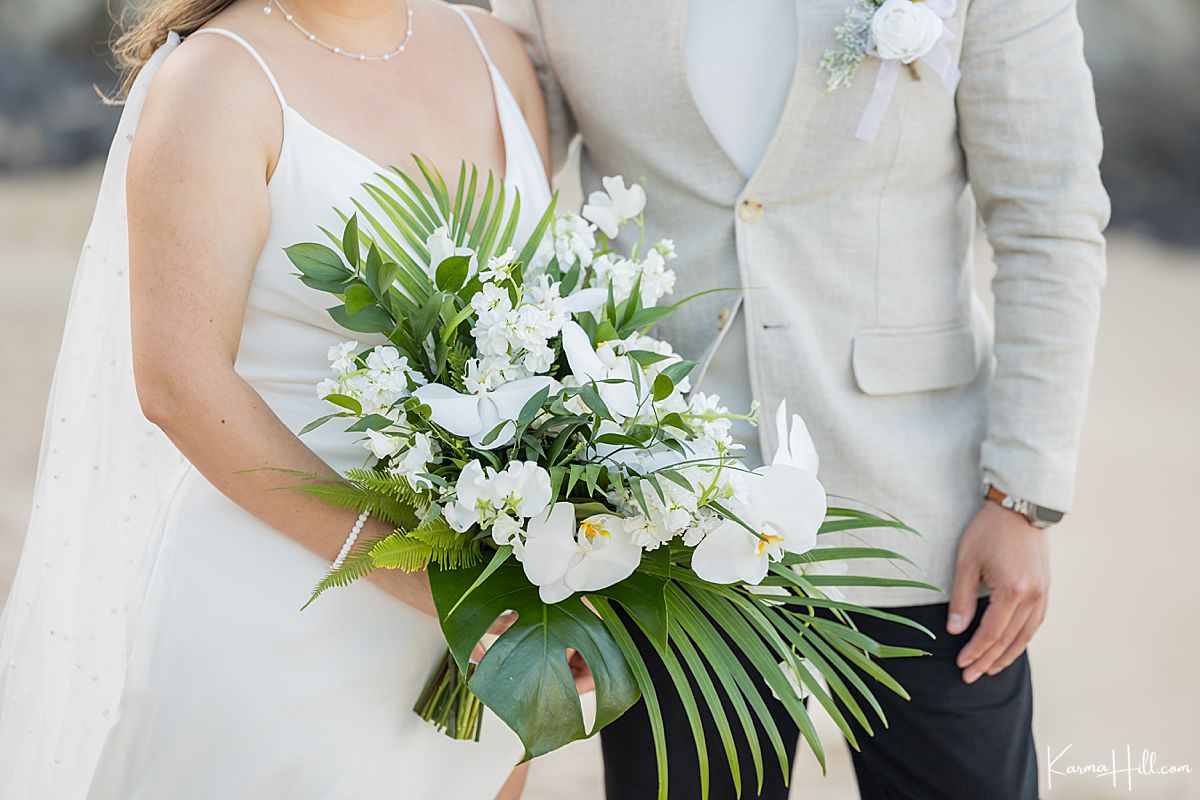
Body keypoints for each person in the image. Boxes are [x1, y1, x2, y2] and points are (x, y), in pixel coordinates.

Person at [492, 0, 1109, 798]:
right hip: (660, 518)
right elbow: (490, 155)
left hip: (923, 510)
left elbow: (1050, 217)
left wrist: (1022, 497)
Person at [0, 1, 555, 797]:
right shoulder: (218, 82)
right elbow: (178, 385)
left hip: (481, 632)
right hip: (283, 613)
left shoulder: (497, 52)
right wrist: (415, 575)